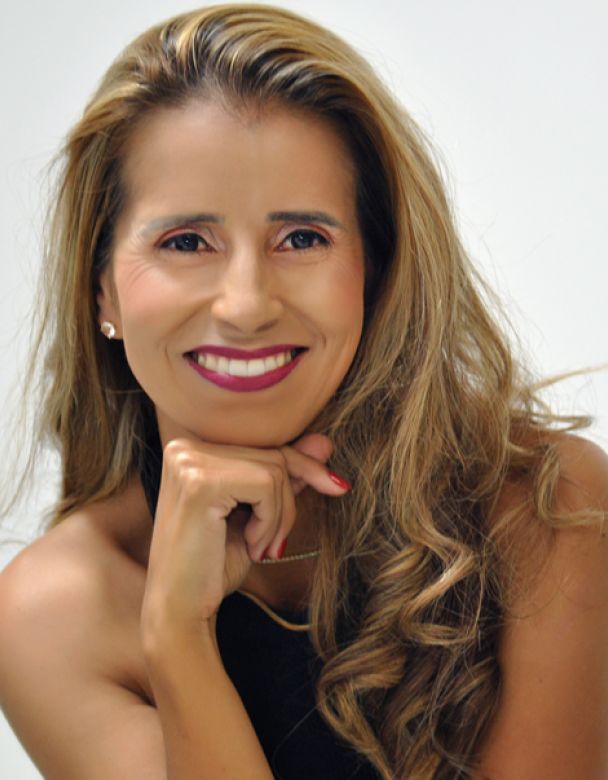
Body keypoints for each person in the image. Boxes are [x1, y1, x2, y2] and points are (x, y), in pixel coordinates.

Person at [0, 3, 606, 778]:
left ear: (375, 271)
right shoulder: (54, 612)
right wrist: (178, 638)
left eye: (302, 238)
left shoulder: (547, 509)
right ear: (104, 293)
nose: (246, 305)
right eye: (186, 242)